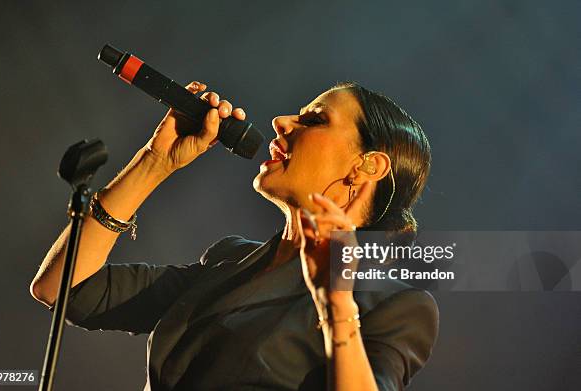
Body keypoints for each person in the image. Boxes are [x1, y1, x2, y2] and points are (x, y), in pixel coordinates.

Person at [30, 80, 438, 391]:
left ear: (367, 166)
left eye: (314, 120)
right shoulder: (230, 261)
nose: (281, 122)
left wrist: (334, 304)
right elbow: (64, 287)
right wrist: (155, 162)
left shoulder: (394, 305)